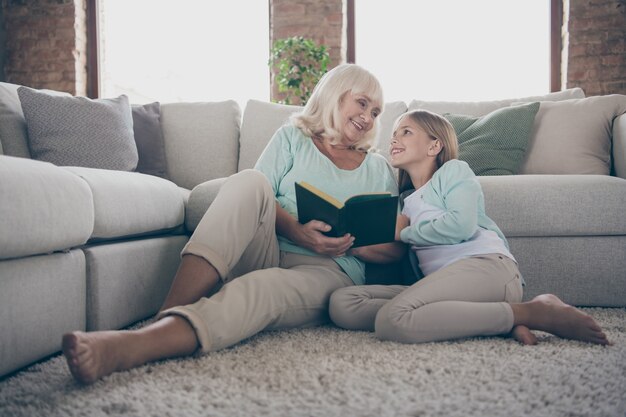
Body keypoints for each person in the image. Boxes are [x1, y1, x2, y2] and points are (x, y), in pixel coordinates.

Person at [61, 64, 405, 384]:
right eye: (361, 103)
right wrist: (298, 231)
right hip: (266, 246)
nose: (367, 117)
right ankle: (168, 312)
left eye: (375, 112)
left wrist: (348, 241)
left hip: (329, 271)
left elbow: (393, 251)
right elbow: (261, 197)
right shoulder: (292, 138)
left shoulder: (379, 168)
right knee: (249, 181)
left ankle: (141, 343)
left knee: (263, 288)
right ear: (335, 94)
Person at [329, 109, 610, 346]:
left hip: (486, 268)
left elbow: (460, 226)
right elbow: (395, 248)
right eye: (394, 133)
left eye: (406, 132)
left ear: (434, 146)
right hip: (445, 286)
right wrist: (351, 242)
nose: (394, 138)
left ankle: (534, 312)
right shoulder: (404, 201)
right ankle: (501, 319)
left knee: (392, 321)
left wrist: (403, 232)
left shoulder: (453, 171)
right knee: (343, 304)